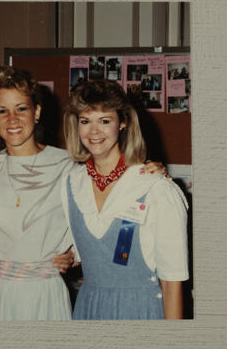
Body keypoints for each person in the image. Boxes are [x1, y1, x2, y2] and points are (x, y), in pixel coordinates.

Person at [62, 80, 188, 319]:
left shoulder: (156, 188)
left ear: (123, 123)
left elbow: (172, 284)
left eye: (105, 121)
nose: (94, 132)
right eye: (85, 121)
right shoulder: (70, 183)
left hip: (140, 310)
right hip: (88, 308)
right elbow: (79, 248)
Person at [0, 66, 76, 320]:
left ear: (36, 111)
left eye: (21, 108)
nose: (12, 119)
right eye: (2, 111)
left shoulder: (67, 166)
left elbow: (101, 209)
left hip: (43, 291)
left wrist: (75, 255)